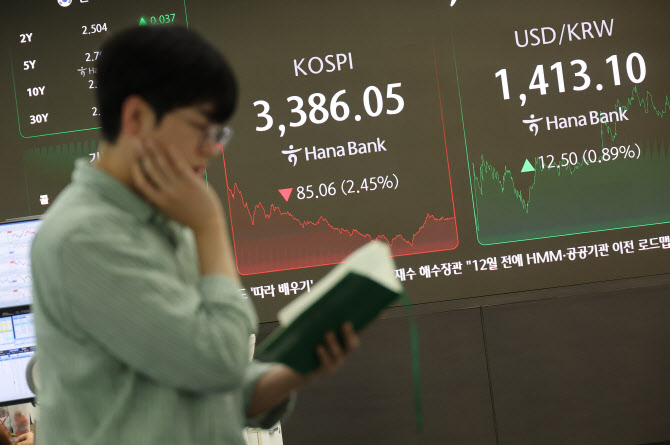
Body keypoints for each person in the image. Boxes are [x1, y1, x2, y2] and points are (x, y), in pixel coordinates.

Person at [31, 26, 359, 445]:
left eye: (218, 134)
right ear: (136, 117)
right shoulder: (83, 237)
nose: (212, 149)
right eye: (202, 129)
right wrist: (210, 226)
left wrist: (296, 369)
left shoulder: (167, 218)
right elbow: (218, 363)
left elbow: (207, 389)